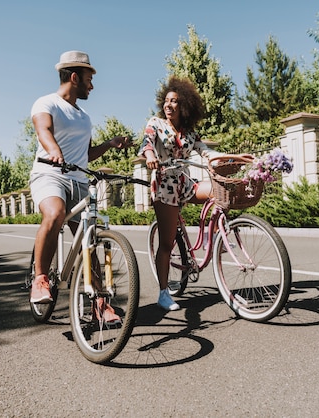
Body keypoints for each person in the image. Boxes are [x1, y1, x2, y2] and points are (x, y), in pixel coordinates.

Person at [29, 50, 131, 306]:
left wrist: (109, 144)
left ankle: (100, 303)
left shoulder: (84, 117)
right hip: (50, 174)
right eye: (89, 80)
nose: (92, 86)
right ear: (74, 77)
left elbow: (86, 154)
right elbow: (44, 130)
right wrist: (54, 151)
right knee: (54, 214)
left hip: (78, 181)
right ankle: (40, 278)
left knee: (90, 241)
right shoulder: (46, 103)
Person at [140, 76, 225, 311]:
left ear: (183, 105)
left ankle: (212, 238)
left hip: (186, 183)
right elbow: (147, 143)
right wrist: (150, 156)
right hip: (164, 186)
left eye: (174, 101)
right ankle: (164, 292)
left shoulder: (189, 132)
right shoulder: (155, 123)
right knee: (166, 243)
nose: (169, 105)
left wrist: (217, 159)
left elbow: (204, 149)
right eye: (167, 101)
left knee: (218, 190)